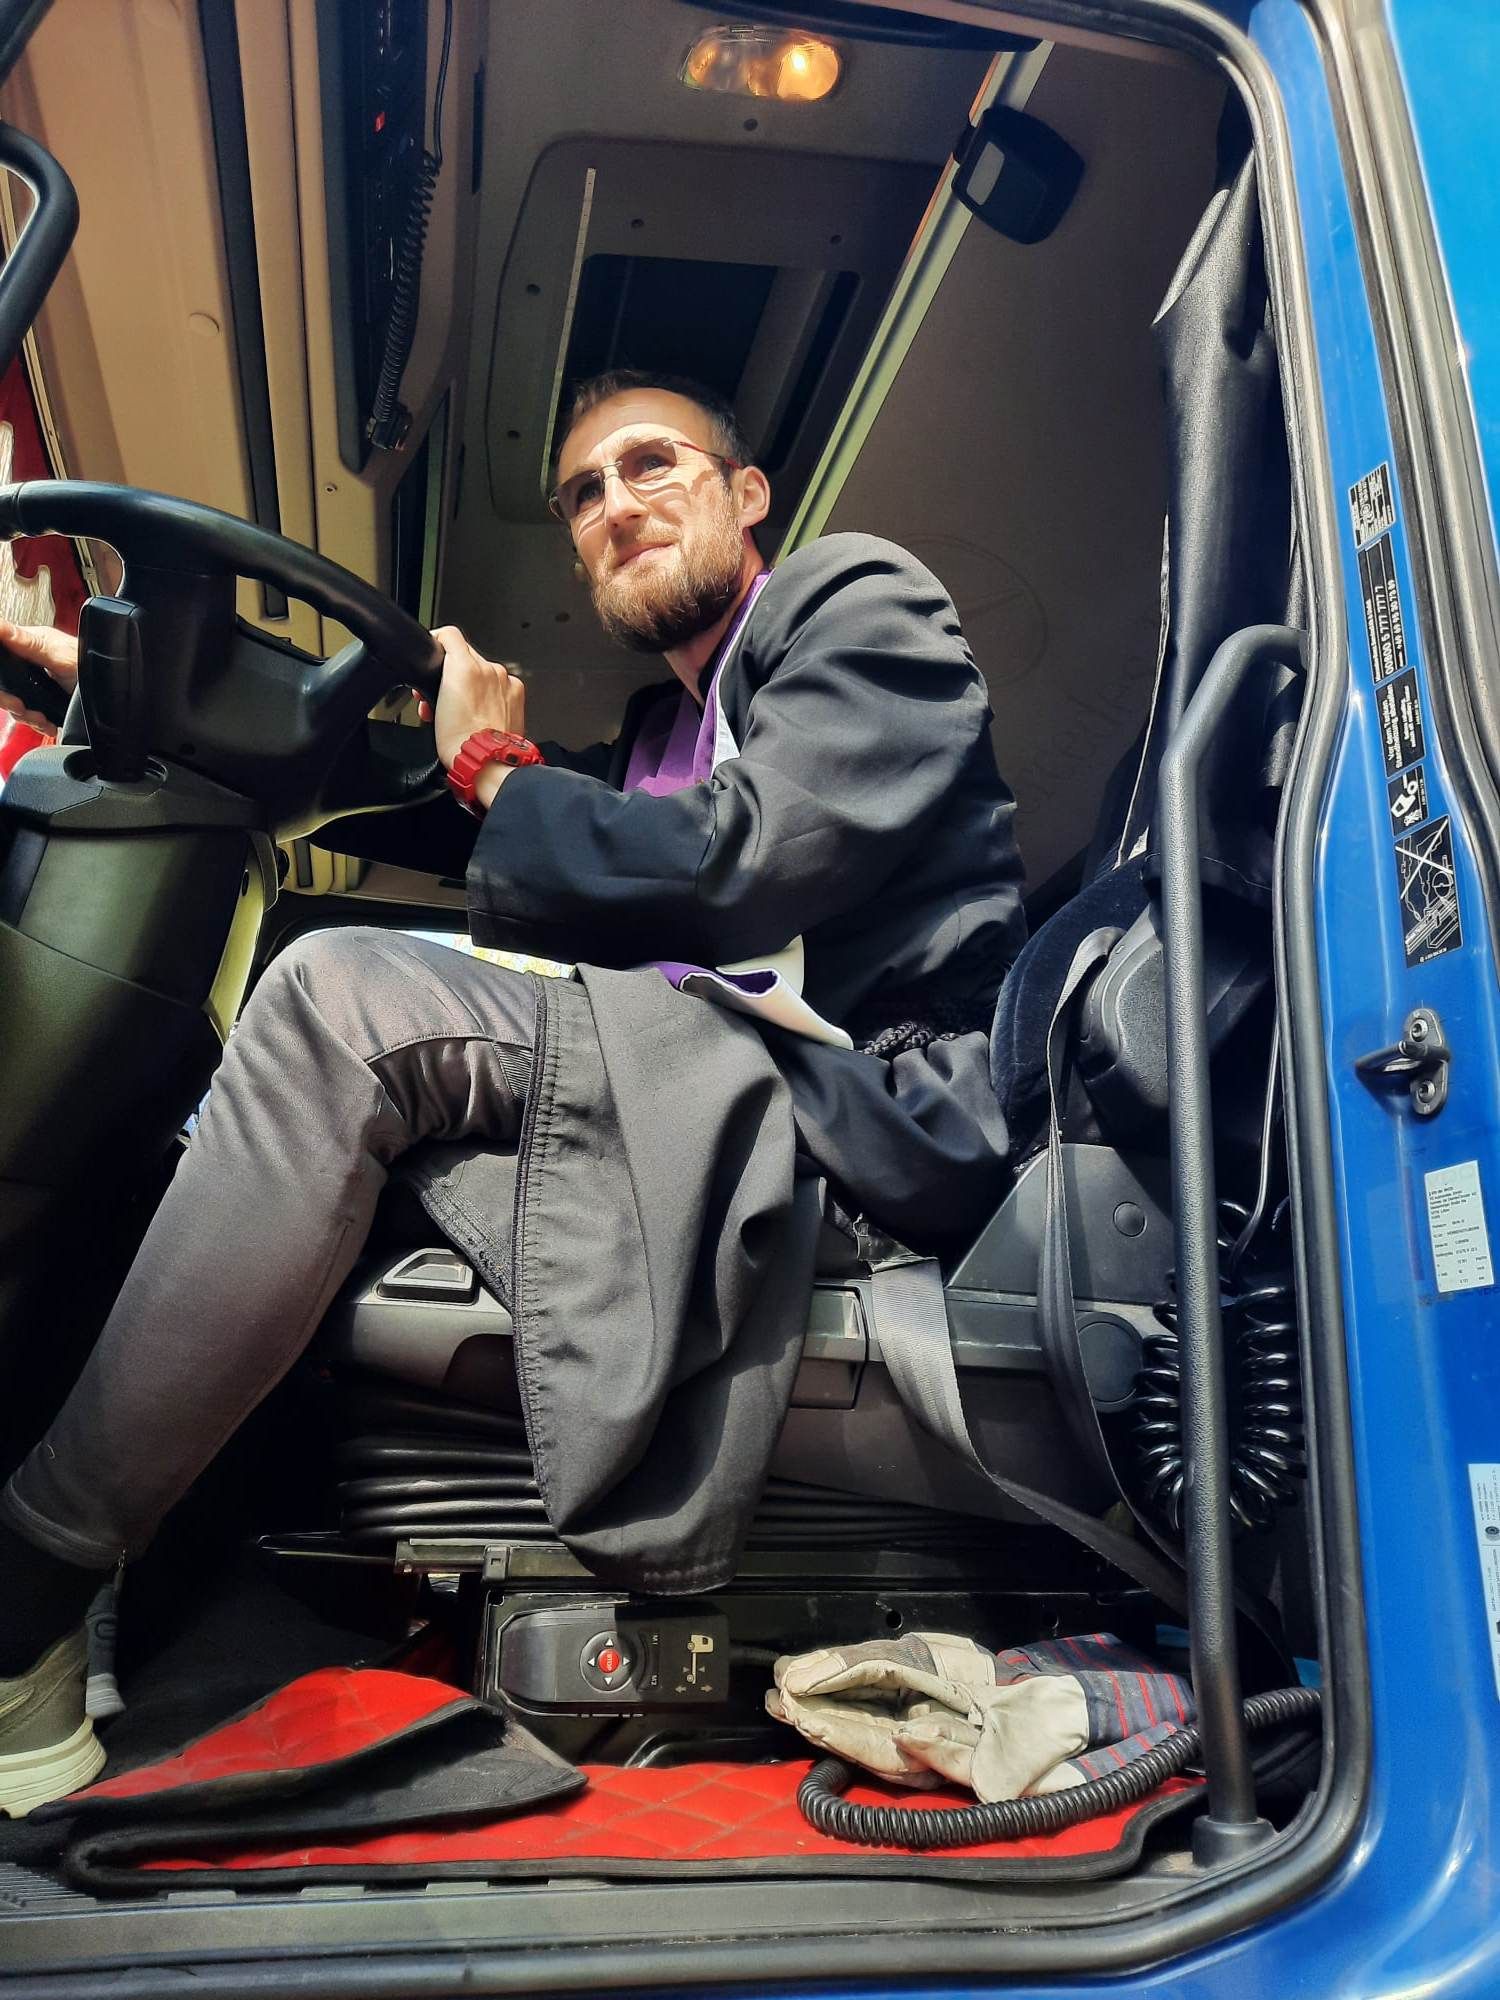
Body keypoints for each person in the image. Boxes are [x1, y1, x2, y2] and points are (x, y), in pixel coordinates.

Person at [0, 371, 1025, 1813]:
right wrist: (139, 698)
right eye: (584, 495)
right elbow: (485, 815)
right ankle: (167, 1593)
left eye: (653, 465)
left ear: (748, 496)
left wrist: (492, 765)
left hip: (861, 1110)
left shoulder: (859, 604)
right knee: (215, 1121)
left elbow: (743, 863)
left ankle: (29, 1590)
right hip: (704, 1078)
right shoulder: (655, 739)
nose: (616, 506)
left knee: (340, 998)